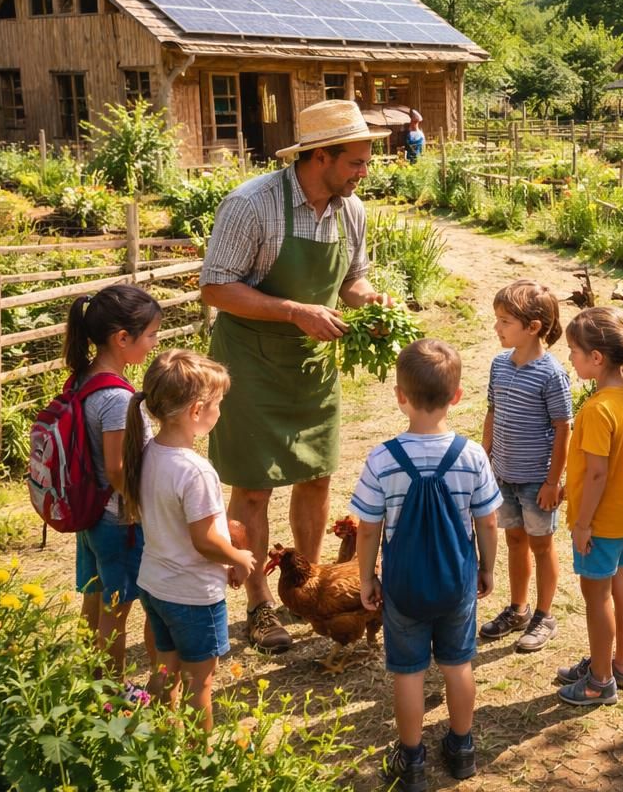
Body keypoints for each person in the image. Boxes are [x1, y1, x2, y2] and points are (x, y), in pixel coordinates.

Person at [199, 99, 393, 653]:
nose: (364, 171)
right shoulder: (251, 205)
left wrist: (370, 302)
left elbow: (352, 281)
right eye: (355, 162)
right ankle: (260, 602)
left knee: (316, 478)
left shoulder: (350, 211)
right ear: (320, 157)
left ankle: (306, 590)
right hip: (252, 362)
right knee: (254, 488)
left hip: (311, 365)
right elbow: (215, 287)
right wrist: (293, 311)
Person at [352, 339, 501, 789]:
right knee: (458, 666)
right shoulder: (471, 455)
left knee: (408, 672)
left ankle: (412, 760)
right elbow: (488, 521)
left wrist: (366, 577)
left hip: (403, 586)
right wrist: (487, 568)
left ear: (400, 395)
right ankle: (462, 748)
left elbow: (366, 528)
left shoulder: (382, 458)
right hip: (456, 581)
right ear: (456, 397)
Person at [125, 349, 253, 731]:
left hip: (155, 585)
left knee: (165, 669)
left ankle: (161, 738)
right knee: (202, 683)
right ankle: (202, 760)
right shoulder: (195, 471)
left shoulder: (147, 453)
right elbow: (205, 541)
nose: (220, 412)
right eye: (218, 404)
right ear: (197, 411)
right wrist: (239, 558)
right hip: (193, 594)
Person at [554, 306, 623, 707]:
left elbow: (597, 475)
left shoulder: (598, 409)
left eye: (574, 351)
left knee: (596, 597)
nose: (570, 359)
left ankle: (599, 680)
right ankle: (622, 666)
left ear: (597, 358)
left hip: (601, 522)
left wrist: (582, 524)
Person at [63, 284, 162, 676]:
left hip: (91, 514)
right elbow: (119, 468)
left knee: (97, 598)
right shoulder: (118, 399)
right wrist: (142, 508)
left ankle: (92, 683)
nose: (154, 343)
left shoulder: (83, 378)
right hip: (119, 520)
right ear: (123, 339)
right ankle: (110, 691)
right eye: (151, 334)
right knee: (116, 611)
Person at [479, 281, 574, 654]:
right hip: (503, 474)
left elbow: (563, 428)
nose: (497, 328)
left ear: (533, 327)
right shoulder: (499, 365)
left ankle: (544, 614)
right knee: (514, 540)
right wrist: (485, 457)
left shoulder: (552, 374)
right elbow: (492, 411)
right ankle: (518, 609)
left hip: (537, 481)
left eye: (504, 321)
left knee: (541, 545)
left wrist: (553, 481)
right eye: (497, 320)